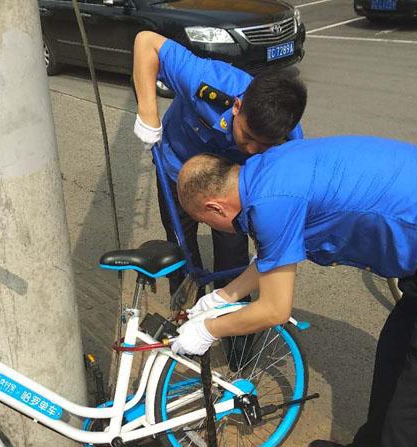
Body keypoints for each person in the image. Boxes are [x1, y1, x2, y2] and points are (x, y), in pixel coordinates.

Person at [172, 137, 417, 447]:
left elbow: (274, 311)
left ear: (215, 207)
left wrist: (208, 330)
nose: (215, 228)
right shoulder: (266, 172)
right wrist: (224, 297)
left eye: (207, 223)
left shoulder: (271, 202)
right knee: (395, 352)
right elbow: (273, 255)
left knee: (416, 412)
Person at [131, 30, 306, 300]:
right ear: (237, 106)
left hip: (230, 185)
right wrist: (148, 113)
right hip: (176, 170)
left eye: (261, 146)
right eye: (246, 136)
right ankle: (184, 307)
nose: (249, 149)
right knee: (180, 245)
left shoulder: (291, 140)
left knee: (232, 251)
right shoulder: (207, 81)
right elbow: (146, 42)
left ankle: (230, 321)